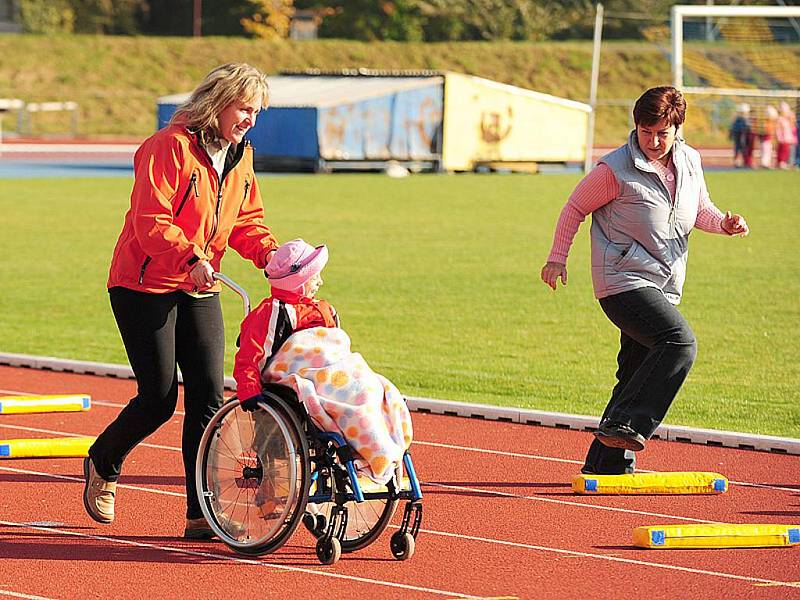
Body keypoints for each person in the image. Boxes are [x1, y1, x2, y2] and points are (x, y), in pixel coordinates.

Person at [83, 63, 279, 540]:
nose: (250, 119)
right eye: (244, 108)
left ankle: (201, 513)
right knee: (158, 398)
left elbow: (245, 221)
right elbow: (150, 219)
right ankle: (103, 461)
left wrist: (273, 256)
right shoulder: (165, 148)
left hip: (199, 287)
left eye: (257, 112)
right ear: (218, 102)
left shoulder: (240, 156)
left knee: (210, 400)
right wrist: (189, 256)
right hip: (143, 285)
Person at [540, 86, 749, 476]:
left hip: (662, 284)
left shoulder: (690, 161)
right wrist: (557, 259)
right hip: (621, 280)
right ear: (635, 127)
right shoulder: (614, 170)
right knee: (679, 342)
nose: (652, 141)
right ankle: (629, 426)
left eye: (661, 133)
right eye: (645, 131)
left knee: (635, 371)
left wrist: (723, 224)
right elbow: (574, 208)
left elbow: (698, 210)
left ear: (677, 130)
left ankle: (606, 461)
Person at [235, 238, 413, 484]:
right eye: (314, 277)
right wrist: (248, 389)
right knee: (353, 400)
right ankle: (372, 456)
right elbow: (250, 355)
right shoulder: (271, 313)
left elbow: (336, 349)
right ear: (298, 283)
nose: (320, 282)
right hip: (301, 380)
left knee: (375, 389)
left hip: (336, 372)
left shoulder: (325, 310)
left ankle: (377, 453)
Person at [776, 101, 798, 170]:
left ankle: (790, 164)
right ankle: (782, 163)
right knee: (783, 152)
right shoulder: (780, 119)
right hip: (784, 140)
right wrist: (780, 138)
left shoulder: (789, 120)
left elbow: (793, 129)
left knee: (791, 152)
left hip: (790, 139)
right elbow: (778, 130)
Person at [729, 103, 751, 168]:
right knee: (739, 149)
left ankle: (742, 161)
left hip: (741, 136)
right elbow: (735, 128)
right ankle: (738, 162)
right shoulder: (739, 119)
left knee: (741, 149)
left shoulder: (742, 119)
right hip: (739, 136)